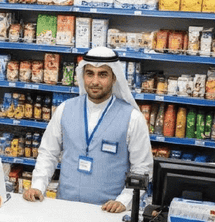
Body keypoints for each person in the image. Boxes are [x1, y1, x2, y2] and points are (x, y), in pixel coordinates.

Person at [23, 47, 153, 213]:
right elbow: (48, 153)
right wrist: (38, 186)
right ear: (82, 76)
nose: (95, 81)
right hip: (65, 208)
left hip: (107, 213)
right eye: (90, 73)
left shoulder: (133, 118)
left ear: (114, 78)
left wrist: (124, 201)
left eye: (103, 74)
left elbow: (143, 168)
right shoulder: (65, 109)